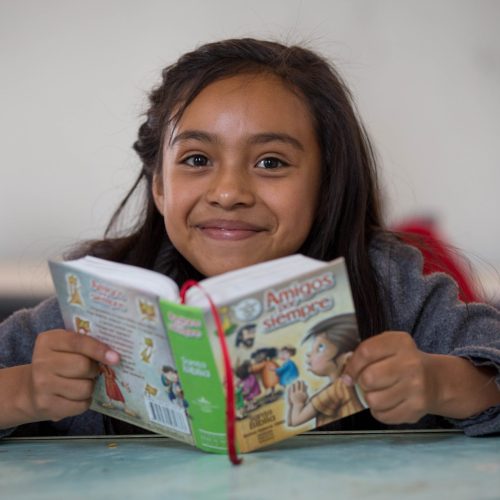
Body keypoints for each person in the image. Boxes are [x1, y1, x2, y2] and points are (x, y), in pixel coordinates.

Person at [0, 38, 499, 438]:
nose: (230, 191)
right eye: (197, 159)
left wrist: (443, 383)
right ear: (158, 185)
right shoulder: (94, 300)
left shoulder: (390, 284)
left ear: (327, 184)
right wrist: (23, 392)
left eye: (271, 163)